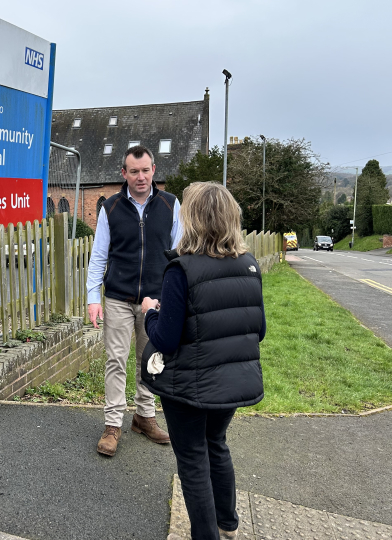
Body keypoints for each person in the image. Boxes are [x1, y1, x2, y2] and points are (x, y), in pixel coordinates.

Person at [140, 182, 265, 540]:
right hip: (233, 379)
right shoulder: (249, 265)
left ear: (192, 218)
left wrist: (151, 312)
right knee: (217, 444)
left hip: (189, 387)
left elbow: (165, 339)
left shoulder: (182, 269)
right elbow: (259, 329)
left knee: (193, 458)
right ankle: (228, 523)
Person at [86, 144, 183, 457]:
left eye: (145, 170)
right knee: (116, 359)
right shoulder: (111, 207)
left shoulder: (170, 204)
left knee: (149, 361)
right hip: (117, 298)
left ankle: (144, 416)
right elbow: (99, 254)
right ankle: (113, 425)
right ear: (123, 173)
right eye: (134, 171)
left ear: (154, 170)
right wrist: (93, 297)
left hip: (155, 300)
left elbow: (178, 254)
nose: (140, 177)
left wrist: (173, 295)